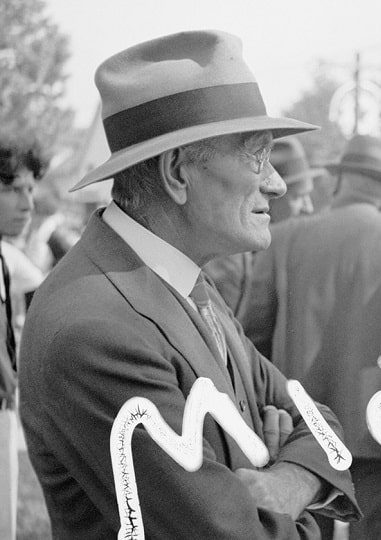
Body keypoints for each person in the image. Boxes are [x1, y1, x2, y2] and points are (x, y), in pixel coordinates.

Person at [18, 30, 360, 539]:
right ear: (178, 172)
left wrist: (288, 484)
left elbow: (318, 421)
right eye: (257, 155)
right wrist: (295, 498)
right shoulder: (97, 331)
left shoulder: (183, 284)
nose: (277, 183)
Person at [240, 134, 381, 540]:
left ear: (339, 181)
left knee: (305, 533)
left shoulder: (284, 238)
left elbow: (251, 338)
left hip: (302, 430)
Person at [203, 134, 319, 314]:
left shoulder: (281, 252)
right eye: (298, 197)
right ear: (271, 197)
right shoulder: (230, 257)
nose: (309, 208)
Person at [0, 141, 44, 538]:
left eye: (30, 190)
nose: (27, 204)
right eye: (12, 189)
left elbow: (43, 290)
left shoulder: (7, 257)